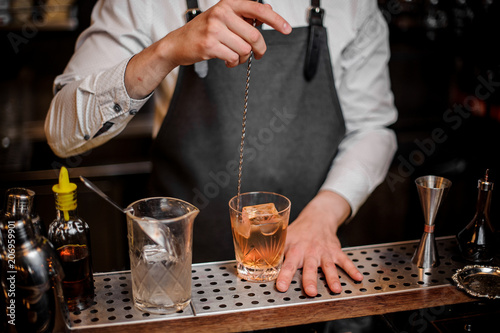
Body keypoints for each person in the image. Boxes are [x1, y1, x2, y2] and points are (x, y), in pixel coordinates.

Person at [45, 0, 398, 297]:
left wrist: (325, 214)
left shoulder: (352, 5)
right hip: (178, 279)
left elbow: (373, 127)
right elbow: (63, 136)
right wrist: (165, 51)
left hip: (309, 269)